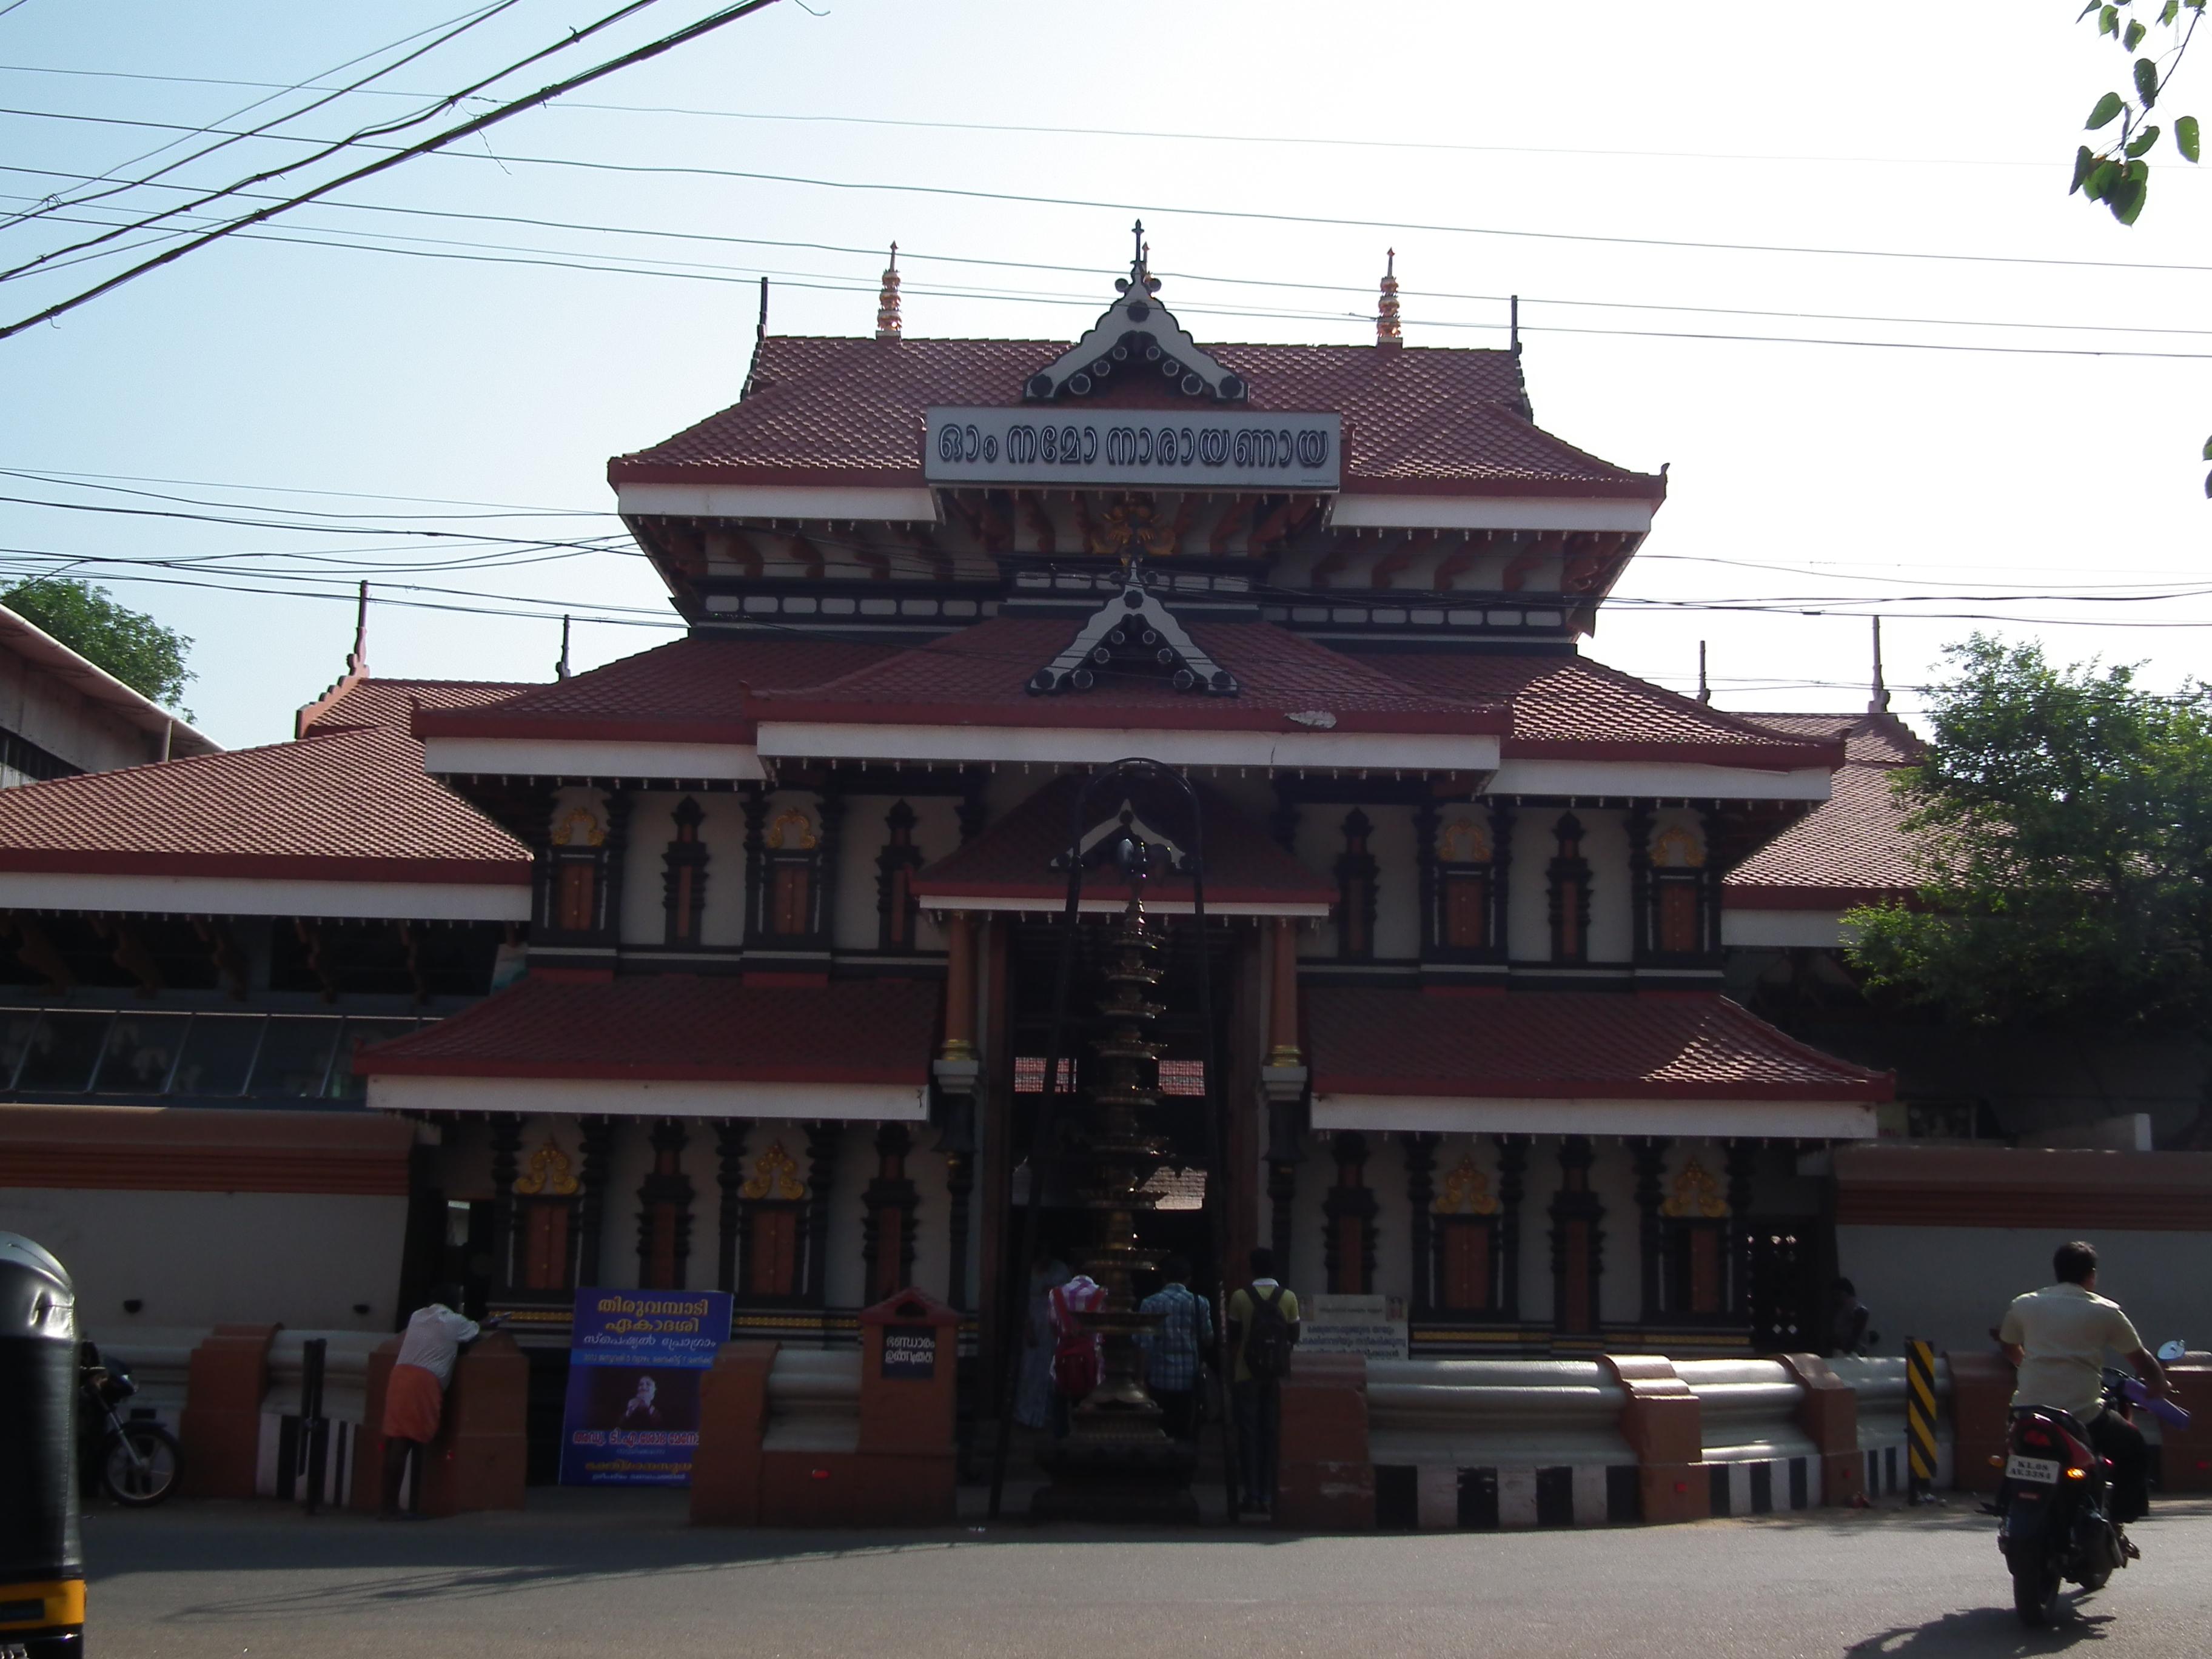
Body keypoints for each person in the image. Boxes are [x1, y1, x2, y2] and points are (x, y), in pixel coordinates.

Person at [1997, 1240, 2169, 1535]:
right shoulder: (2105, 1311)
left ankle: (2007, 1504)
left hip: (2027, 1411)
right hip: (2082, 1415)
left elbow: (2008, 1345)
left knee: (2014, 1451)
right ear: (2091, 1275)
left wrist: (2025, 1366)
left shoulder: (2024, 1304)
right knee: (2134, 1446)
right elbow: (2141, 1359)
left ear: (2057, 1272)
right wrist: (2158, 1383)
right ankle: (2117, 1519)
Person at [378, 1287, 489, 1520]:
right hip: (423, 1382)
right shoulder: (455, 1321)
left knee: (394, 1440)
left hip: (400, 1376)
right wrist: (489, 1324)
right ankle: (391, 1509)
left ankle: (386, 1504)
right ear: (456, 1304)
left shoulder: (418, 1316)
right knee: (404, 1442)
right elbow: (475, 1335)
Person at [1225, 1247, 1299, 1514]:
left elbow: (1232, 1337)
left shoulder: (1240, 1297)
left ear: (1251, 1268)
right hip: (1277, 1374)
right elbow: (1294, 1336)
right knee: (1272, 1432)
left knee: (1248, 1434)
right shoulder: (1288, 1298)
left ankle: (1252, 1494)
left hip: (1246, 1373)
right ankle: (1269, 1495)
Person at [1137, 1253, 1213, 1441]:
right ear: (1189, 1279)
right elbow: (1208, 1339)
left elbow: (1143, 1345)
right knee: (1185, 1431)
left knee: (1160, 1431)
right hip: (1189, 1379)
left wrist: (1139, 1379)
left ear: (1164, 1278)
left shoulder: (1150, 1303)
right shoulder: (1200, 1302)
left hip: (1159, 1378)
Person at [1014, 1254, 1071, 1431]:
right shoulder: (1029, 1273)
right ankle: (1025, 1418)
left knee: (1051, 1374)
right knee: (1029, 1372)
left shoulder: (1061, 1271)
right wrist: (1027, 1326)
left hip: (1053, 1328)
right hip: (1035, 1325)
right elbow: (1021, 1301)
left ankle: (1047, 1418)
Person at [1828, 1278, 1872, 1356]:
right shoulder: (1843, 1307)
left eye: (1836, 1295)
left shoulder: (1850, 1303)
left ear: (1844, 1293)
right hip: (1846, 1351)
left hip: (1853, 1353)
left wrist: (1851, 1342)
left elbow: (1862, 1312)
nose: (1835, 1298)